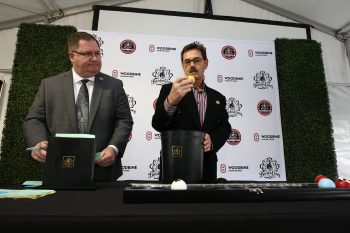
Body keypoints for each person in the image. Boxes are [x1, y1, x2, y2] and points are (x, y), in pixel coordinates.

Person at [23, 31, 134, 182]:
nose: (95, 58)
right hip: (60, 169)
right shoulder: (50, 85)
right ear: (72, 56)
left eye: (98, 53)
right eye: (88, 53)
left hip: (103, 174)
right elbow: (34, 119)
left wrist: (113, 148)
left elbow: (124, 120)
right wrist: (38, 143)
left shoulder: (114, 85)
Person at [152, 42, 232, 182]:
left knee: (206, 204)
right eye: (187, 62)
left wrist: (213, 139)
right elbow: (158, 124)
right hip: (175, 164)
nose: (192, 65)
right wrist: (171, 101)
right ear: (183, 65)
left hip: (207, 167)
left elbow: (225, 127)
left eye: (197, 60)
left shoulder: (218, 98)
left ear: (205, 63)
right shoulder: (170, 90)